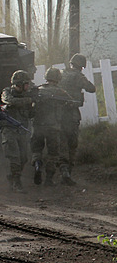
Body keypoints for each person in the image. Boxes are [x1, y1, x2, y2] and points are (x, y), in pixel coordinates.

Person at [30, 67, 72, 186]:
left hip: (38, 126)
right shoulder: (61, 92)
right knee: (53, 154)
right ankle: (49, 179)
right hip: (53, 127)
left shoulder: (38, 90)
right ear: (58, 78)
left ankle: (37, 165)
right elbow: (70, 103)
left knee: (37, 150)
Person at [59, 53, 96, 185]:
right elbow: (92, 88)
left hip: (57, 115)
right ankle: (67, 172)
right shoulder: (79, 77)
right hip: (71, 114)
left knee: (60, 142)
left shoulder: (60, 74)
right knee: (72, 143)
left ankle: (62, 170)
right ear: (81, 66)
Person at [0, 70, 34, 193]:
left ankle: (12, 176)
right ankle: (16, 182)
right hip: (9, 128)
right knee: (14, 156)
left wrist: (35, 104)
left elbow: (30, 114)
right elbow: (9, 101)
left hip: (21, 129)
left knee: (24, 157)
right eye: (26, 84)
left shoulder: (28, 94)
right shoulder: (7, 92)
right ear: (19, 84)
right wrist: (28, 100)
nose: (28, 86)